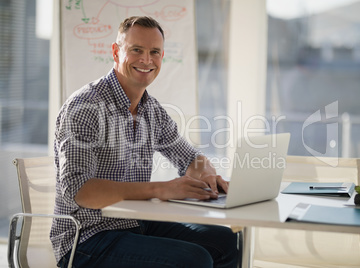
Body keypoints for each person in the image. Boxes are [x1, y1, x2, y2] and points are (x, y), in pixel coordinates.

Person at [50, 16, 239, 268]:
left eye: (154, 52)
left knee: (227, 242)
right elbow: (80, 191)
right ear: (116, 52)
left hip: (133, 222)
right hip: (86, 239)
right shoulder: (85, 106)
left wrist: (208, 177)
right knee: (194, 260)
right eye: (136, 50)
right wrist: (160, 189)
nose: (146, 60)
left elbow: (190, 159)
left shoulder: (151, 109)